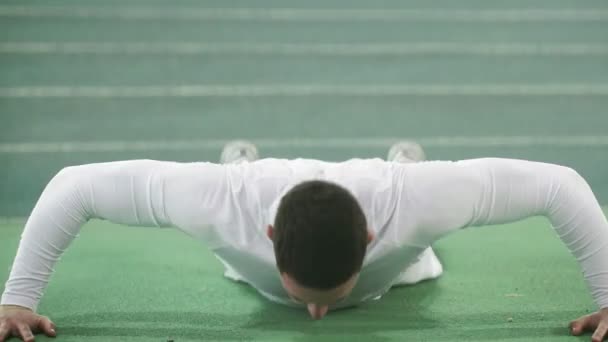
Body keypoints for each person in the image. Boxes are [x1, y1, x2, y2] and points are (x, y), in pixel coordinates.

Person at [1, 140, 607, 342]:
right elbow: (74, 186)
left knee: (424, 260)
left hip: (397, 252)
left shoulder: (415, 201)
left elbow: (561, 186)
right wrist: (17, 296)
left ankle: (405, 155)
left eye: (330, 295)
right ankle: (240, 156)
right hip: (251, 247)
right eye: (306, 295)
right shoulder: (222, 202)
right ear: (268, 236)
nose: (317, 315)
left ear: (369, 238)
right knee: (238, 251)